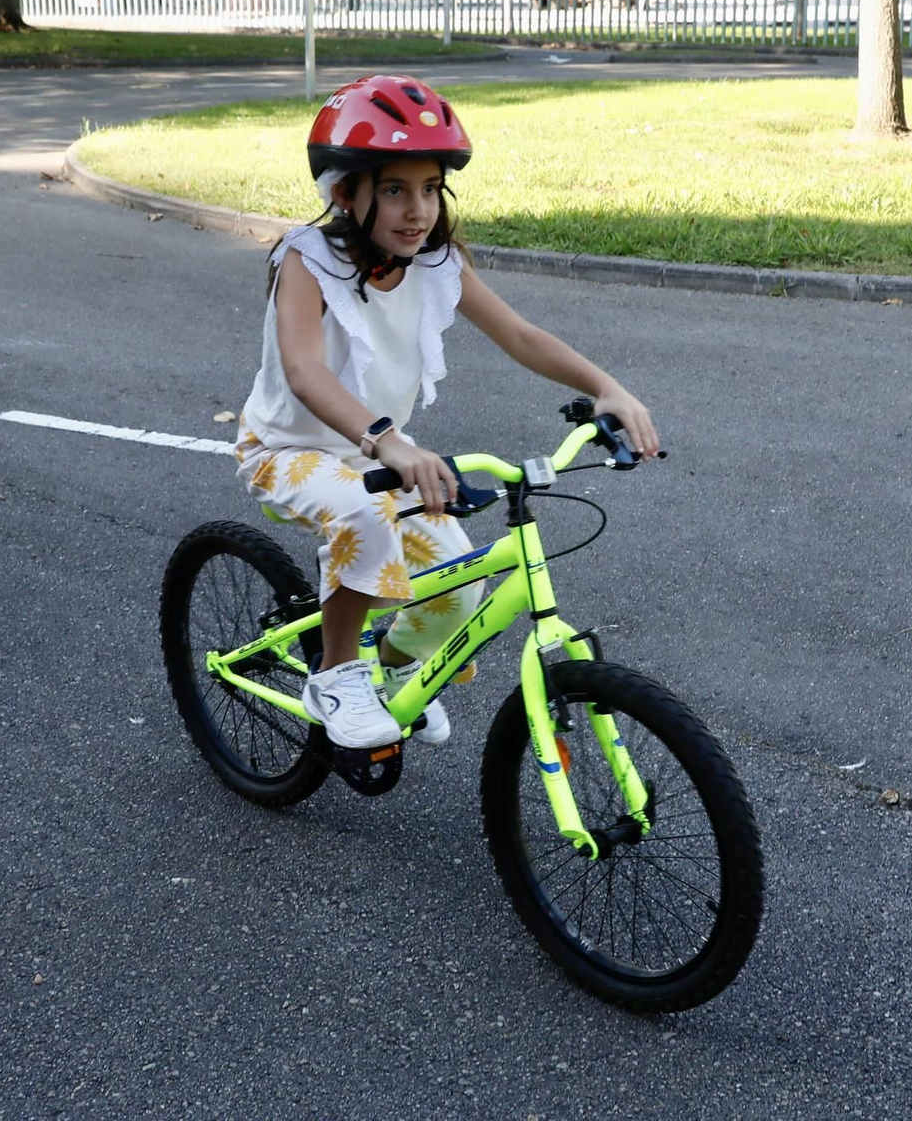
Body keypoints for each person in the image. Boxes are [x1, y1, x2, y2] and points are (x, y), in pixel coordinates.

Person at [235, 75, 659, 750]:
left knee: (457, 588)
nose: (418, 210)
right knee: (363, 511)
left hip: (377, 454)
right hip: (289, 451)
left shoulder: (436, 264)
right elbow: (306, 371)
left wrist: (607, 386)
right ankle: (338, 674)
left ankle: (383, 677)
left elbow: (520, 336)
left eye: (430, 188)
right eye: (396, 189)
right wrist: (389, 442)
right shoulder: (305, 261)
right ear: (345, 193)